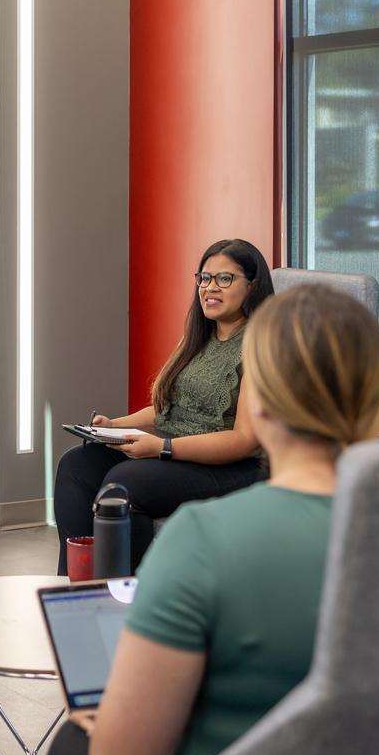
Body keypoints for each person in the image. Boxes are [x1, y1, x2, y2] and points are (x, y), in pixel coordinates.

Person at [47, 285, 379, 755]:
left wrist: (98, 717)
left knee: (72, 743)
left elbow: (122, 754)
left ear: (261, 403)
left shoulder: (200, 540)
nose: (210, 286)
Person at [51, 239, 274, 573]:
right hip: (176, 452)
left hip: (231, 467)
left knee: (125, 483)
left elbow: (245, 440)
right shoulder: (198, 338)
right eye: (204, 278)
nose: (210, 288)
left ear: (252, 285)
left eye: (224, 279)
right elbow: (168, 407)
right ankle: (75, 585)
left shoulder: (260, 345)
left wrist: (162, 448)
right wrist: (114, 426)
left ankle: (128, 594)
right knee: (76, 465)